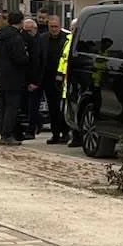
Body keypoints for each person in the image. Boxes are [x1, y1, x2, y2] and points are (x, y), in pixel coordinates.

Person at [0, 10, 29, 146]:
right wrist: (27, 57)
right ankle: (7, 135)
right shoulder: (16, 38)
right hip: (13, 77)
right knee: (12, 107)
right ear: (21, 22)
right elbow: (20, 58)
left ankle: (3, 133)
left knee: (3, 107)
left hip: (0, 76)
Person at [42, 15, 69, 144]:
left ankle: (65, 133)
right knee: (52, 108)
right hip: (48, 78)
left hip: (63, 78)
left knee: (63, 107)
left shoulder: (67, 39)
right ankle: (55, 133)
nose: (53, 29)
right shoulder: (43, 39)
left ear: (60, 26)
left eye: (56, 27)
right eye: (51, 27)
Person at [57, 18, 81, 148]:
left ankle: (76, 136)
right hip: (67, 80)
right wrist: (59, 74)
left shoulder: (78, 40)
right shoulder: (69, 40)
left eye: (74, 28)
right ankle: (71, 135)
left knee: (73, 110)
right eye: (71, 28)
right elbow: (63, 59)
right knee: (68, 110)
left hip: (74, 79)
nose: (72, 30)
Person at [21, 17, 45, 139]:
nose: (27, 33)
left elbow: (40, 62)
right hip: (25, 78)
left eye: (29, 31)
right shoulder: (23, 41)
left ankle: (31, 130)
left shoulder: (39, 42)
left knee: (33, 105)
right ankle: (38, 121)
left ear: (35, 29)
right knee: (26, 105)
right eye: (25, 30)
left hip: (36, 79)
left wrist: (35, 81)